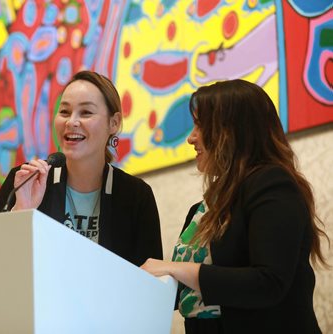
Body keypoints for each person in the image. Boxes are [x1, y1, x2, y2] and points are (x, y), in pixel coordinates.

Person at [141, 79, 329, 333]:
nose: (190, 138)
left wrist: (175, 268)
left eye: (200, 126)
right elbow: (188, 292)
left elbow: (268, 282)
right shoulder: (202, 209)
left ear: (232, 131)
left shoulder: (272, 184)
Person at [0, 70, 163, 266]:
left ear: (113, 123)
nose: (71, 122)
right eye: (64, 111)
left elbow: (152, 279)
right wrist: (21, 212)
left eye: (86, 112)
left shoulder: (136, 195)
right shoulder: (25, 180)